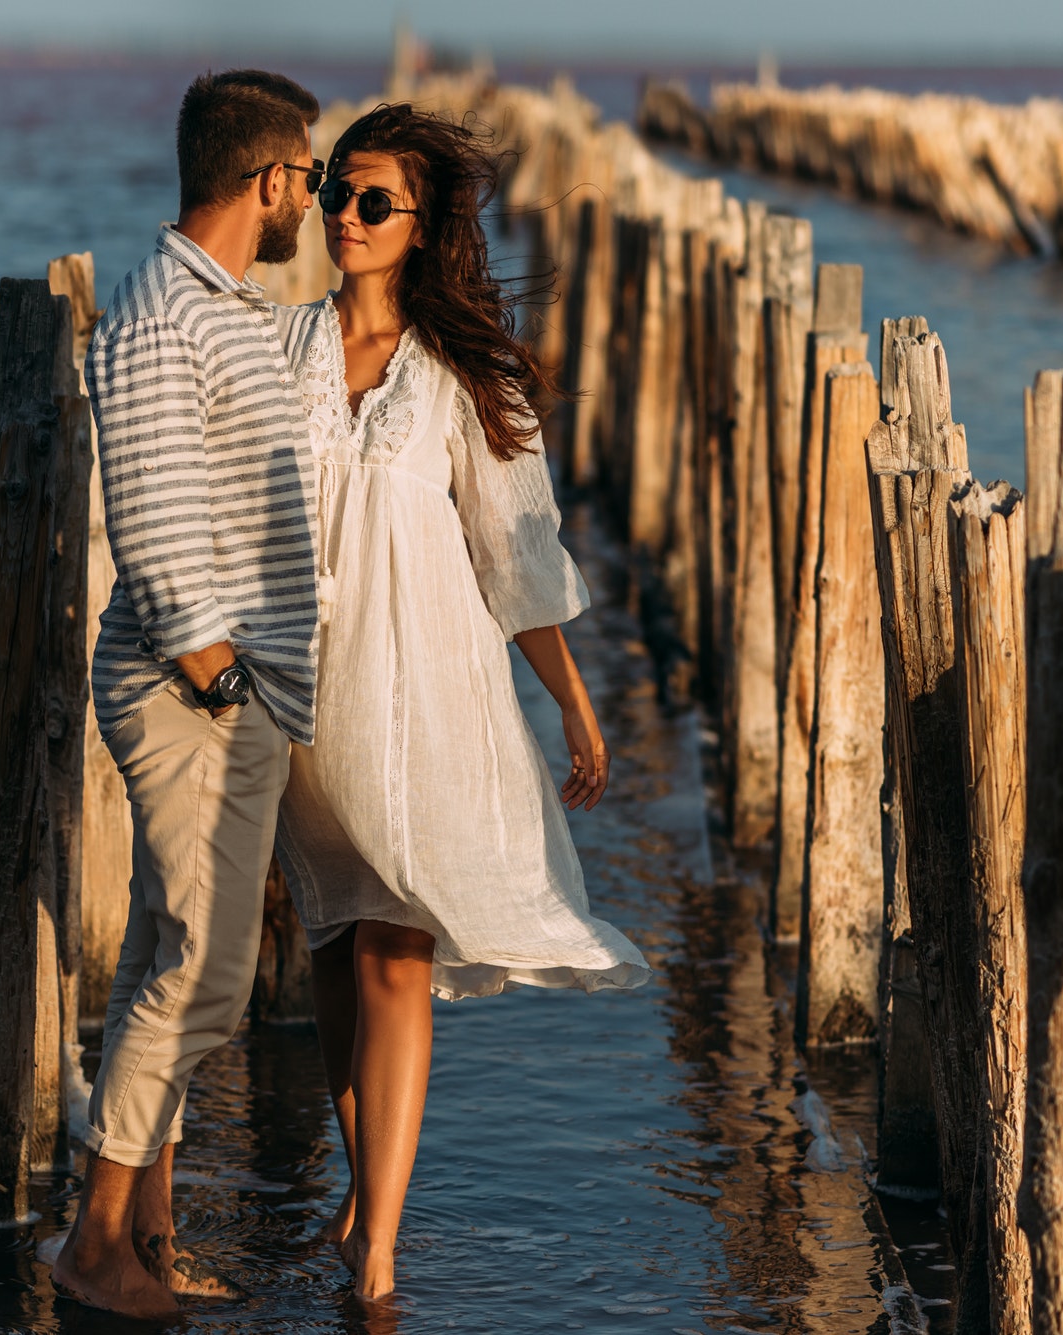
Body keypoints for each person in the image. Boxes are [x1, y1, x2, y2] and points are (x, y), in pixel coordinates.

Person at [274, 103, 653, 1300]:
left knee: (397, 947)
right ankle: (360, 1197)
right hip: (302, 695)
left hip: (418, 691)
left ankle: (377, 1251)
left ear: (421, 221)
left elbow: (515, 558)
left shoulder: (460, 378)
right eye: (336, 188)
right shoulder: (275, 351)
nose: (343, 212)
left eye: (372, 199)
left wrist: (575, 708)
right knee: (333, 948)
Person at [50, 68, 325, 1321]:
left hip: (218, 685)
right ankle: (93, 1244)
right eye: (310, 178)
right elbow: (154, 519)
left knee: (167, 954)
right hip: (192, 689)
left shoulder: (228, 307)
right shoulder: (167, 317)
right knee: (207, 974)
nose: (312, 200)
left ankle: (146, 1237)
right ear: (265, 180)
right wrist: (222, 680)